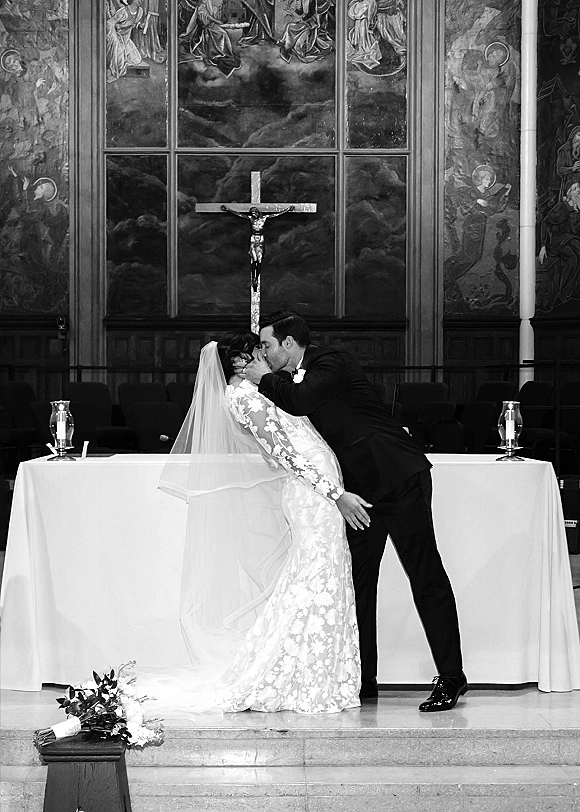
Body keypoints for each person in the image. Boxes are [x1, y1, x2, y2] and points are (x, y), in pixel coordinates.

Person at [241, 311, 467, 712]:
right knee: (358, 583)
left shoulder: (333, 361)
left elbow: (301, 401)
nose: (263, 353)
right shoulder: (289, 379)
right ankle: (363, 679)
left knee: (424, 573)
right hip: (358, 494)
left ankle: (452, 677)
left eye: (268, 345)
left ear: (289, 345)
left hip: (398, 476)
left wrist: (261, 378)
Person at [150, 331, 368, 715]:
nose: (265, 360)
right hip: (312, 493)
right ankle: (297, 674)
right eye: (257, 353)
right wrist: (337, 494)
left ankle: (320, 672)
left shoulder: (262, 390)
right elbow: (284, 455)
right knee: (315, 579)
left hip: (320, 488)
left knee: (324, 577)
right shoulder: (243, 399)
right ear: (239, 363)